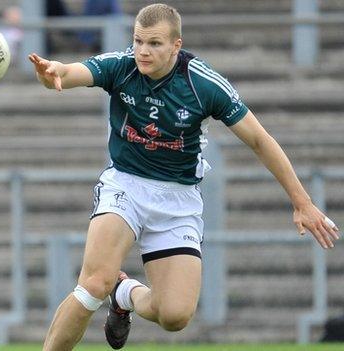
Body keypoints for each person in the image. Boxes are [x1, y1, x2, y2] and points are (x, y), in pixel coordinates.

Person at [28, 3, 340, 350]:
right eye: (138, 41)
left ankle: (125, 294)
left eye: (155, 44)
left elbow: (258, 139)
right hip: (125, 186)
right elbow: (73, 72)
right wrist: (54, 71)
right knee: (93, 283)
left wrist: (302, 202)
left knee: (175, 315)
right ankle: (103, 293)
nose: (143, 51)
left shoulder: (203, 83)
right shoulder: (122, 66)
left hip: (178, 198)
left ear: (176, 45)